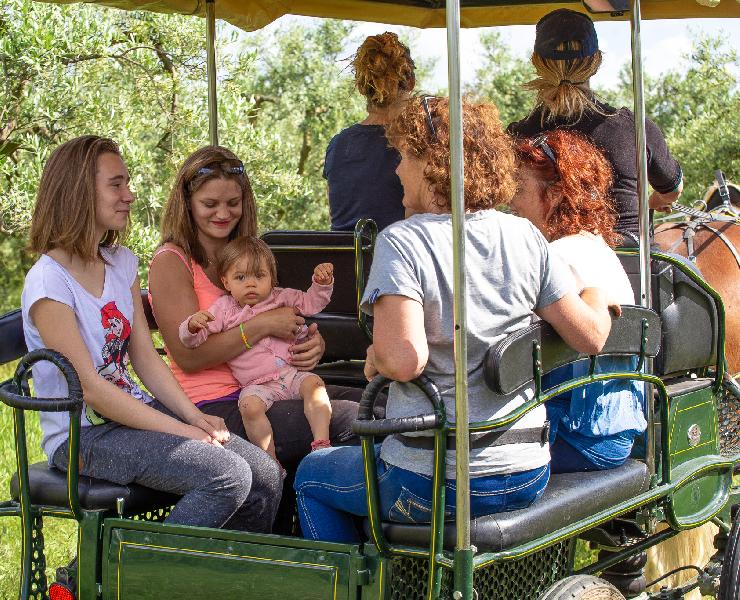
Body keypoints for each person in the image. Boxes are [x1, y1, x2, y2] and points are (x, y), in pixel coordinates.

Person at [293, 96, 615, 543]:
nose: (397, 170)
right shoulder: (523, 235)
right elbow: (593, 336)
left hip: (435, 481)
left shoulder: (402, 243)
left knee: (311, 475)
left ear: (432, 163)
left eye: (404, 155)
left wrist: (377, 355)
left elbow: (404, 362)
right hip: (526, 472)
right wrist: (597, 291)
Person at [21, 135, 281, 533]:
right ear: (78, 192)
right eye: (116, 184)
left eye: (127, 183)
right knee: (226, 476)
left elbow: (144, 356)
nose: (129, 194)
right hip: (84, 435)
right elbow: (88, 388)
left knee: (263, 474)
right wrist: (184, 431)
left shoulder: (120, 262)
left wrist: (195, 417)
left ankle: (224, 578)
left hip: (131, 414)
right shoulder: (49, 282)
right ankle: (115, 577)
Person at [147, 145, 362, 471]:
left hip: (274, 381)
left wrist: (311, 346)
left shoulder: (249, 257)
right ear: (187, 204)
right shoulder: (171, 262)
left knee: (375, 401)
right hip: (214, 404)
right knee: (351, 418)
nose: (223, 213)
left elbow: (289, 315)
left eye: (233, 203)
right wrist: (262, 325)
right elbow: (188, 356)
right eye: (209, 204)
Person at [510, 129, 646, 472]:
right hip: (613, 430)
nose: (511, 202)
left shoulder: (558, 256)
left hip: (576, 436)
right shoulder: (595, 246)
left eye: (520, 189)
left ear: (554, 194)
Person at [508, 8, 683, 241]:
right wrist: (655, 202)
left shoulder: (515, 138)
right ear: (596, 61)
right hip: (627, 268)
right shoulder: (633, 128)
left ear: (536, 62)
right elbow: (672, 190)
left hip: (540, 268)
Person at [179, 236, 335, 464]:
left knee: (315, 385)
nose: (250, 284)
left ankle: (321, 444)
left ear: (272, 279)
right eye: (240, 277)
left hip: (291, 375)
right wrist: (192, 326)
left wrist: (321, 283)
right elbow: (195, 340)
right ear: (226, 282)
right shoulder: (224, 309)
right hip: (256, 385)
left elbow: (313, 303)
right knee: (248, 407)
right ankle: (269, 461)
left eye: (259, 276)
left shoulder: (282, 297)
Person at [324, 32, 415, 231]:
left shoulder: (337, 145)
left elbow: (335, 215)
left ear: (362, 88)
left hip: (345, 260)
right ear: (411, 82)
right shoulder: (414, 145)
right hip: (397, 258)